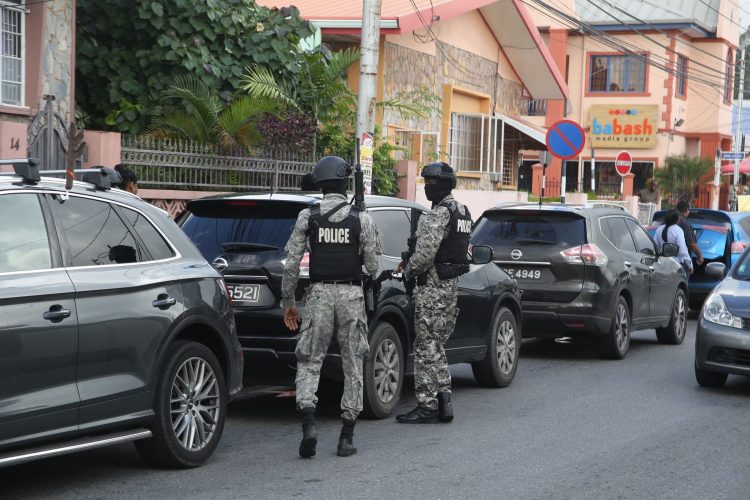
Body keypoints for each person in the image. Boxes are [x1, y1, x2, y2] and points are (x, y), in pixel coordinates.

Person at [281, 156, 380, 458]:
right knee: (353, 364)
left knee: (310, 360)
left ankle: (309, 423)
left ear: (320, 184)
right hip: (351, 296)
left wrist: (289, 304)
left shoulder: (307, 217)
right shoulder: (361, 218)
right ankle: (346, 437)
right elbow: (373, 267)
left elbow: (291, 265)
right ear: (344, 183)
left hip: (319, 296)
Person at [395, 162, 471, 424]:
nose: (427, 187)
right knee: (436, 344)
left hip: (433, 288)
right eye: (425, 181)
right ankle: (444, 399)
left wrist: (407, 271)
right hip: (449, 287)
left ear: (445, 184)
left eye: (432, 182)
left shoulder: (438, 214)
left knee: (425, 345)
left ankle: (427, 405)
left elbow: (425, 255)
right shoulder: (462, 212)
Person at [654, 209, 693, 280]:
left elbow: (655, 246)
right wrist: (689, 265)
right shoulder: (678, 230)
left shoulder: (659, 229)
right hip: (676, 265)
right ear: (677, 219)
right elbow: (682, 251)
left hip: (662, 264)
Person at [676, 201, 703, 268]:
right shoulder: (685, 223)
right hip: (682, 262)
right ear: (687, 210)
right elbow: (691, 244)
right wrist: (700, 255)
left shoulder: (667, 222)